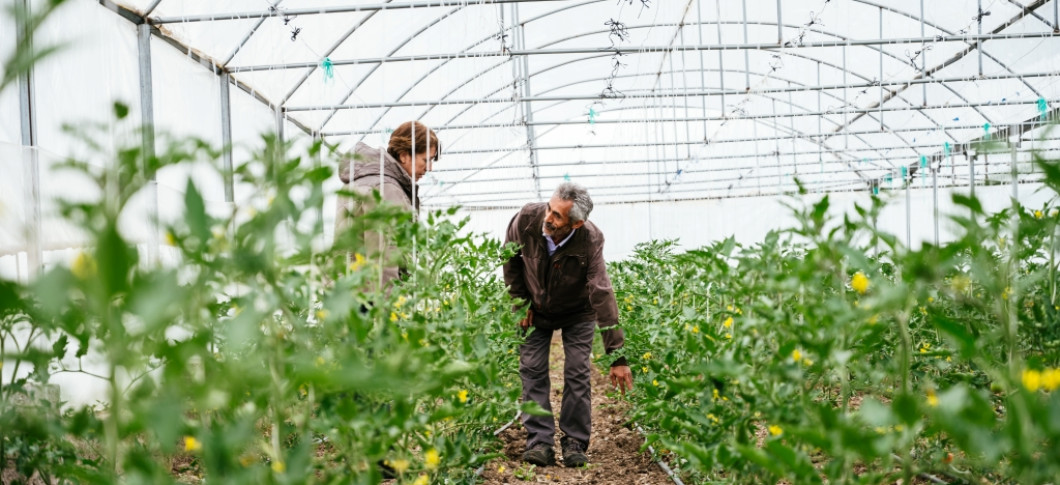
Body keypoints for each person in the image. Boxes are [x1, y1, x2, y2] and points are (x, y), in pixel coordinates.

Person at [502, 182, 634, 468]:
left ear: (576, 224)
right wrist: (520, 303)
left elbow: (601, 291)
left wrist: (617, 356)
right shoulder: (526, 219)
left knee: (577, 372)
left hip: (578, 312)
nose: (548, 218)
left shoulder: (590, 239)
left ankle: (574, 442)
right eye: (549, 208)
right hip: (535, 309)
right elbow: (509, 260)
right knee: (533, 369)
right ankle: (539, 441)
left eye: (557, 216)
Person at [335, 121, 440, 289]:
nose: (429, 168)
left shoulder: (355, 183)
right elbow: (385, 257)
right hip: (371, 299)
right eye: (425, 160)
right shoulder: (386, 189)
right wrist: (389, 308)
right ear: (404, 154)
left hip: (345, 293)